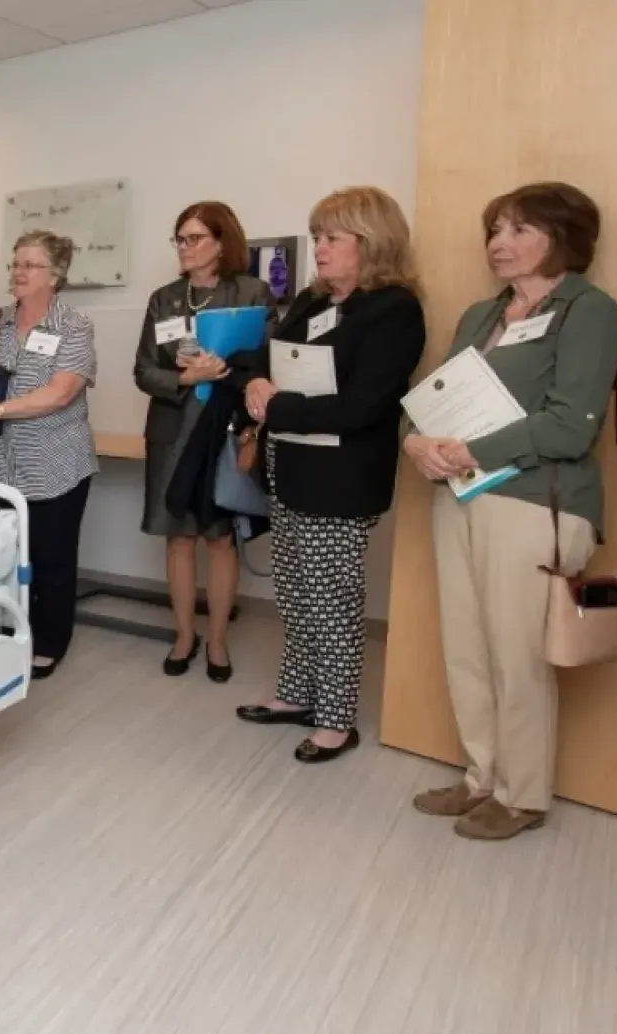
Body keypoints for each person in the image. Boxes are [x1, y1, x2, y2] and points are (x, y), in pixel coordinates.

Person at [402, 182, 617, 839]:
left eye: (519, 229)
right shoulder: (480, 315)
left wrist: (465, 448)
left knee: (517, 655)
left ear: (563, 238)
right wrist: (416, 441)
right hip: (463, 495)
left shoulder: (588, 309)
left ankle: (522, 794)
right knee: (466, 646)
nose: (499, 243)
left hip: (535, 501)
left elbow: (568, 427)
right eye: (494, 229)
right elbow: (434, 398)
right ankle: (480, 778)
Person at [237, 186, 426, 763]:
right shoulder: (311, 303)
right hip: (290, 466)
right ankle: (297, 695)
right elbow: (264, 358)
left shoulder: (393, 309)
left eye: (330, 237)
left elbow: (365, 405)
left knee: (331, 599)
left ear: (370, 242)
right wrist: (254, 384)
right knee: (294, 592)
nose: (318, 247)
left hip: (340, 478)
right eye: (317, 236)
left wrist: (279, 407)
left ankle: (337, 718)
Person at [134, 202, 275, 682]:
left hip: (223, 429)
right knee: (179, 535)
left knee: (218, 537)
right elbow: (143, 370)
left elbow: (267, 364)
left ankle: (216, 640)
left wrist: (227, 371)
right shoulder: (164, 299)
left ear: (222, 242)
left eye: (194, 238)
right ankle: (183, 636)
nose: (185, 247)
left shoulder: (251, 292)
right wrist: (185, 376)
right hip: (172, 429)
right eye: (180, 238)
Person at [0, 231, 97, 679]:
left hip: (55, 464)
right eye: (15, 264)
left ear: (55, 275)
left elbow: (59, 394)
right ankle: (6, 630)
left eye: (30, 265)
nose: (18, 272)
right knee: (3, 553)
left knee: (51, 557)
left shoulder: (73, 325)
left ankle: (51, 639)